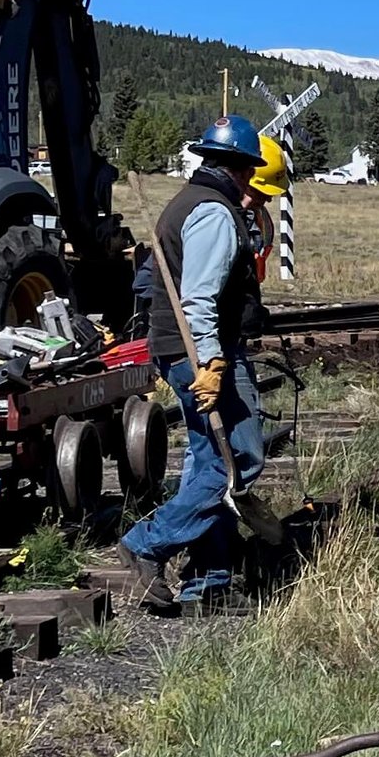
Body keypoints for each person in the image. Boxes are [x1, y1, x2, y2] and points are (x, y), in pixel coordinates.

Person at [123, 113, 270, 613]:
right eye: (249, 171)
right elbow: (199, 299)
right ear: (238, 167)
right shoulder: (213, 213)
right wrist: (211, 360)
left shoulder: (190, 202)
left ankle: (209, 579)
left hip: (180, 350)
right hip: (199, 352)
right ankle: (147, 543)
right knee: (239, 459)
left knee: (209, 459)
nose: (251, 182)